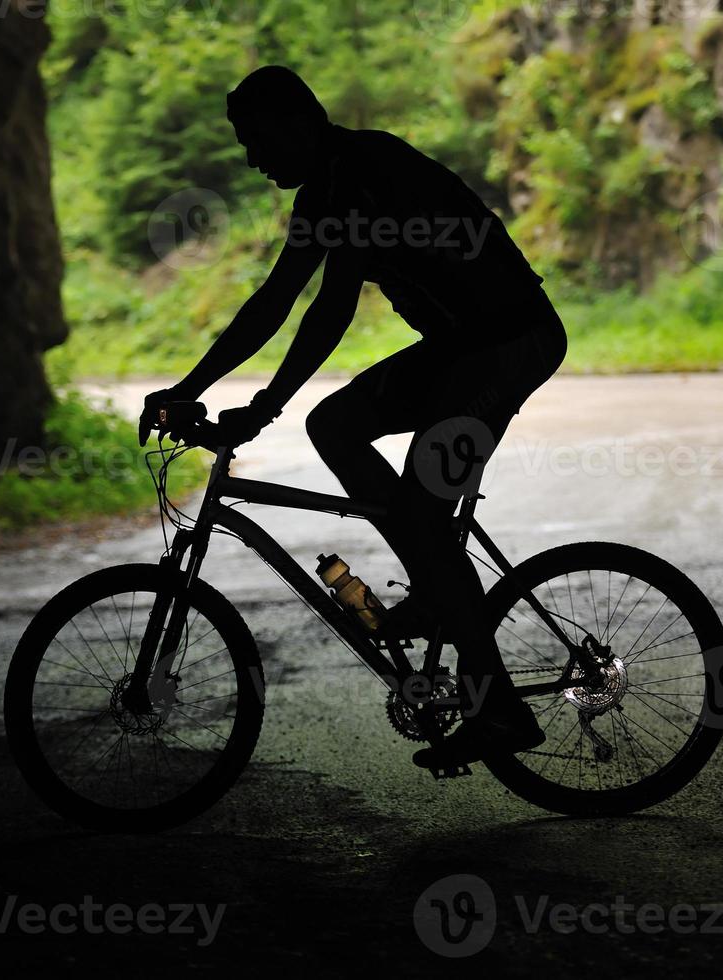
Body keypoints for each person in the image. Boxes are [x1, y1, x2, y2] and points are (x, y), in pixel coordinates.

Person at [142, 67, 567, 770]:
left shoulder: (366, 172)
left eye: (256, 141)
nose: (252, 159)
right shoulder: (323, 192)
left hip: (510, 343)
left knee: (423, 518)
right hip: (462, 349)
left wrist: (261, 407)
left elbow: (330, 309)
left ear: (297, 121)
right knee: (334, 425)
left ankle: (501, 712)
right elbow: (275, 299)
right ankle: (434, 584)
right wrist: (186, 386)